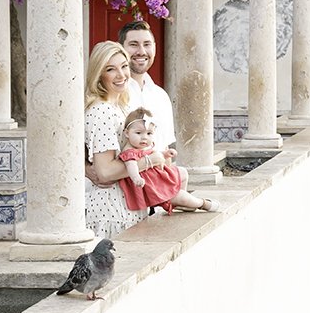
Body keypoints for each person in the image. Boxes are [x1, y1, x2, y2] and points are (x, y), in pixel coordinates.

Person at [84, 41, 171, 238]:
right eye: (110, 69)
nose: (121, 75)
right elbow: (105, 172)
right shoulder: (102, 110)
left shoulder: (119, 107)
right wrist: (151, 160)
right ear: (99, 75)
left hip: (126, 206)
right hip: (111, 211)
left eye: (124, 66)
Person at [117, 107, 220, 214]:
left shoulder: (142, 146)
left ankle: (179, 203)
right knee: (182, 196)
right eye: (138, 133)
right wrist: (136, 178)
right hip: (154, 185)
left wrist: (165, 154)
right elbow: (131, 166)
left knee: (183, 172)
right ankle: (202, 203)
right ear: (127, 133)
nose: (144, 138)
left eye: (149, 133)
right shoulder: (129, 152)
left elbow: (153, 155)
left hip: (159, 177)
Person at [121, 21, 174, 152]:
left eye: (147, 44)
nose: (141, 51)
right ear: (121, 48)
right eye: (133, 45)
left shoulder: (161, 96)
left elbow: (164, 148)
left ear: (154, 48)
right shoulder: (112, 92)